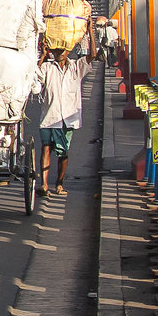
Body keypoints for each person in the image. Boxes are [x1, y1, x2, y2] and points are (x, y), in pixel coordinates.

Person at [31, 35, 92, 196]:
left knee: (63, 152)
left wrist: (90, 31)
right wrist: (43, 56)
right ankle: (44, 184)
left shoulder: (76, 67)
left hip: (67, 119)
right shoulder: (48, 67)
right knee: (45, 148)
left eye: (62, 51)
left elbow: (92, 55)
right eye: (56, 51)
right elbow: (35, 75)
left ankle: (59, 183)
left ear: (68, 51)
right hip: (49, 117)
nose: (59, 54)